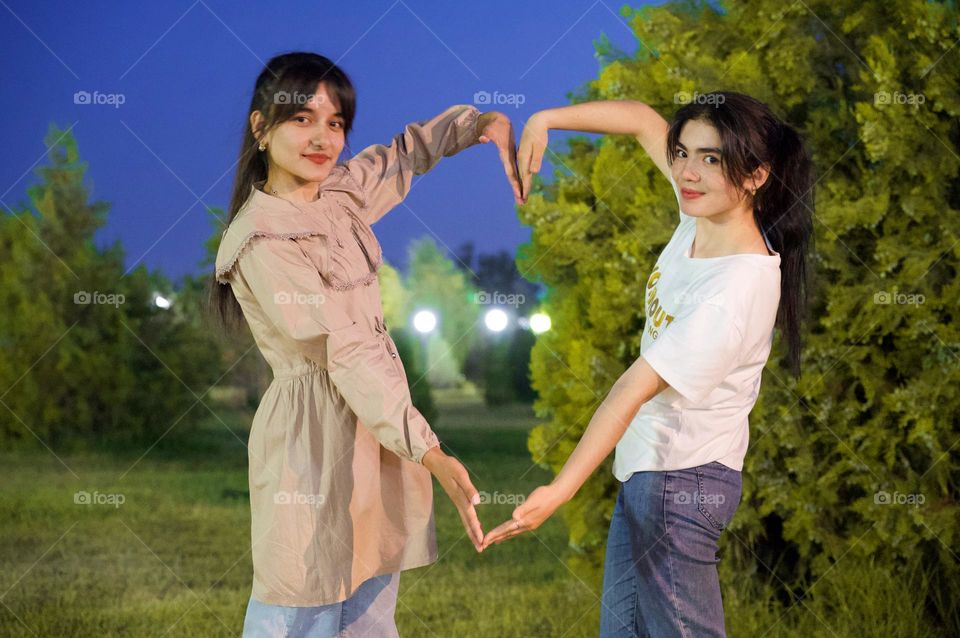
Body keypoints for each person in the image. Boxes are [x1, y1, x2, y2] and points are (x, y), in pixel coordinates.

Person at [209, 51, 521, 637]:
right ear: (260, 127)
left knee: (371, 605)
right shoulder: (260, 238)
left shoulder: (340, 193)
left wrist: (478, 124)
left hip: (376, 425)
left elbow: (405, 154)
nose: (322, 137)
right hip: (313, 439)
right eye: (302, 119)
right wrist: (428, 449)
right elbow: (343, 348)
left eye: (335, 122)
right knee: (302, 604)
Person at [482, 93, 814, 637]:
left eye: (711, 159)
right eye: (683, 153)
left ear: (755, 175)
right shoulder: (702, 212)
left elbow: (630, 389)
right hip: (650, 474)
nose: (687, 171)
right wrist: (546, 118)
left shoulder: (735, 288)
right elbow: (638, 119)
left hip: (682, 486)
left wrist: (560, 490)